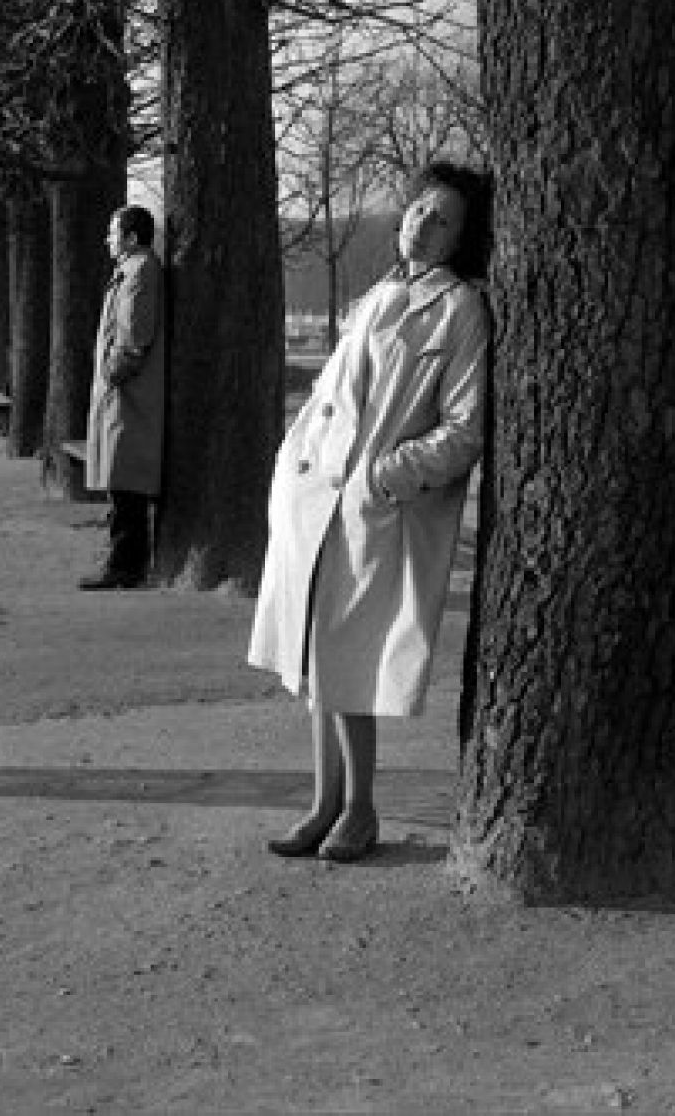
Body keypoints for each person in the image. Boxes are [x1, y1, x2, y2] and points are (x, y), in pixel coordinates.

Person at [249, 161, 494, 863]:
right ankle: (323, 800)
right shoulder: (377, 294)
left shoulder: (459, 311)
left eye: (443, 218)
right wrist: (293, 462)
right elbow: (332, 392)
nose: (423, 224)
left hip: (370, 507)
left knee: (348, 660)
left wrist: (384, 478)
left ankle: (358, 806)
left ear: (461, 239)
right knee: (314, 654)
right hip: (316, 499)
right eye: (419, 209)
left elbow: (465, 427)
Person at [81, 204, 166, 590]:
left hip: (128, 395)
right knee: (123, 479)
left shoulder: (139, 273)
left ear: (131, 237)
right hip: (124, 394)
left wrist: (112, 373)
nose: (107, 239)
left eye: (113, 233)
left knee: (126, 481)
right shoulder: (133, 271)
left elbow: (133, 337)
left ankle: (125, 566)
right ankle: (122, 561)